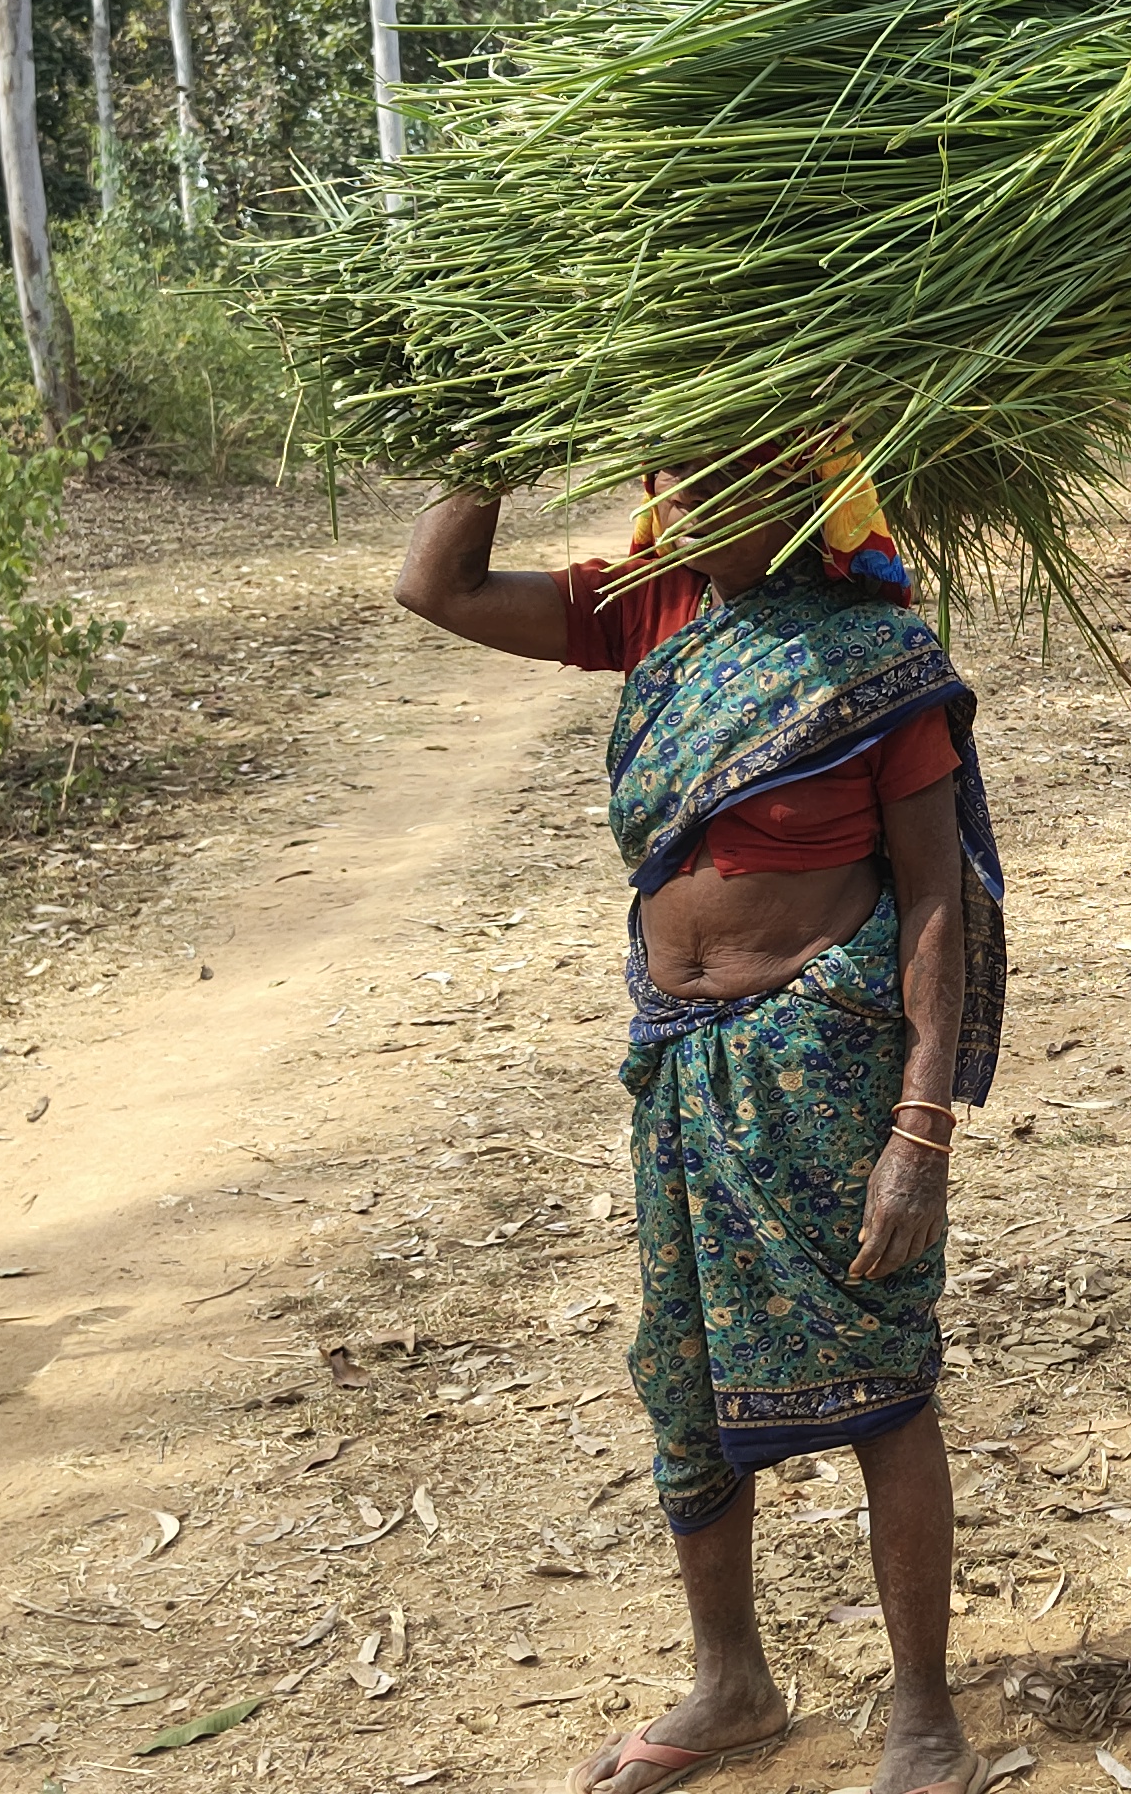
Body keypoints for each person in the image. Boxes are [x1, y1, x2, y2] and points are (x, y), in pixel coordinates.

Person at [393, 453, 1005, 1794]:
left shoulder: (879, 656)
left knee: (882, 1375)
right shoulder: (653, 611)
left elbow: (934, 901)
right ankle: (731, 1681)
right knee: (682, 1374)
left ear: (805, 487)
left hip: (822, 1063)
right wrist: (482, 443)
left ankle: (923, 1721)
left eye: (727, 477)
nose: (688, 503)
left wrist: (921, 1129)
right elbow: (433, 584)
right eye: (674, 473)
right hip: (678, 1063)